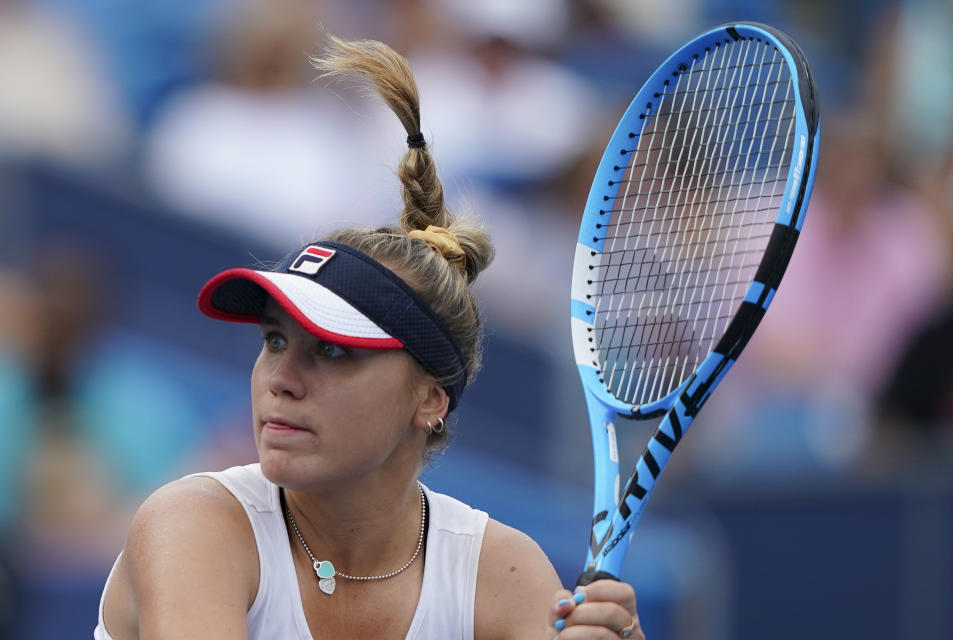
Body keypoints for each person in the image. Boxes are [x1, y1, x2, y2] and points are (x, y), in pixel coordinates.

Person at [93, 35, 642, 639]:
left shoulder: (503, 574)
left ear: (430, 398)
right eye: (274, 341)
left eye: (332, 351)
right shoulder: (193, 524)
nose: (281, 379)